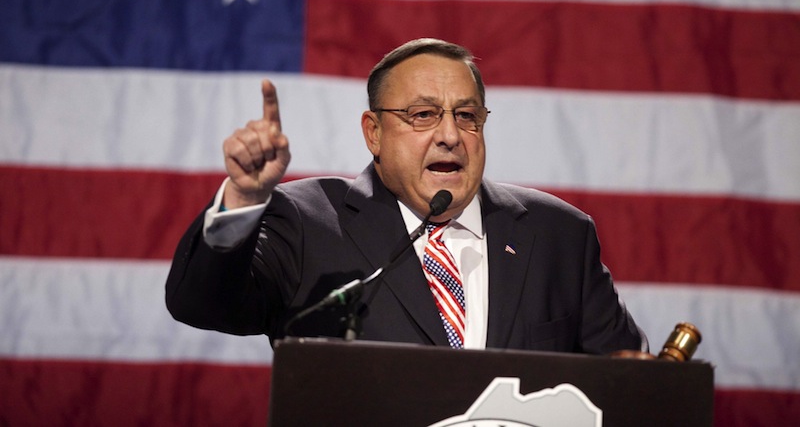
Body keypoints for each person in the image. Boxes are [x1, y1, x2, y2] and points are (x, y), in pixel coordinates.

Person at [166, 38, 647, 353]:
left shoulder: (559, 233)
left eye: (467, 116)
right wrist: (244, 199)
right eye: (422, 115)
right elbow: (202, 304)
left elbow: (626, 383)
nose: (450, 136)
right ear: (373, 133)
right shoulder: (308, 221)